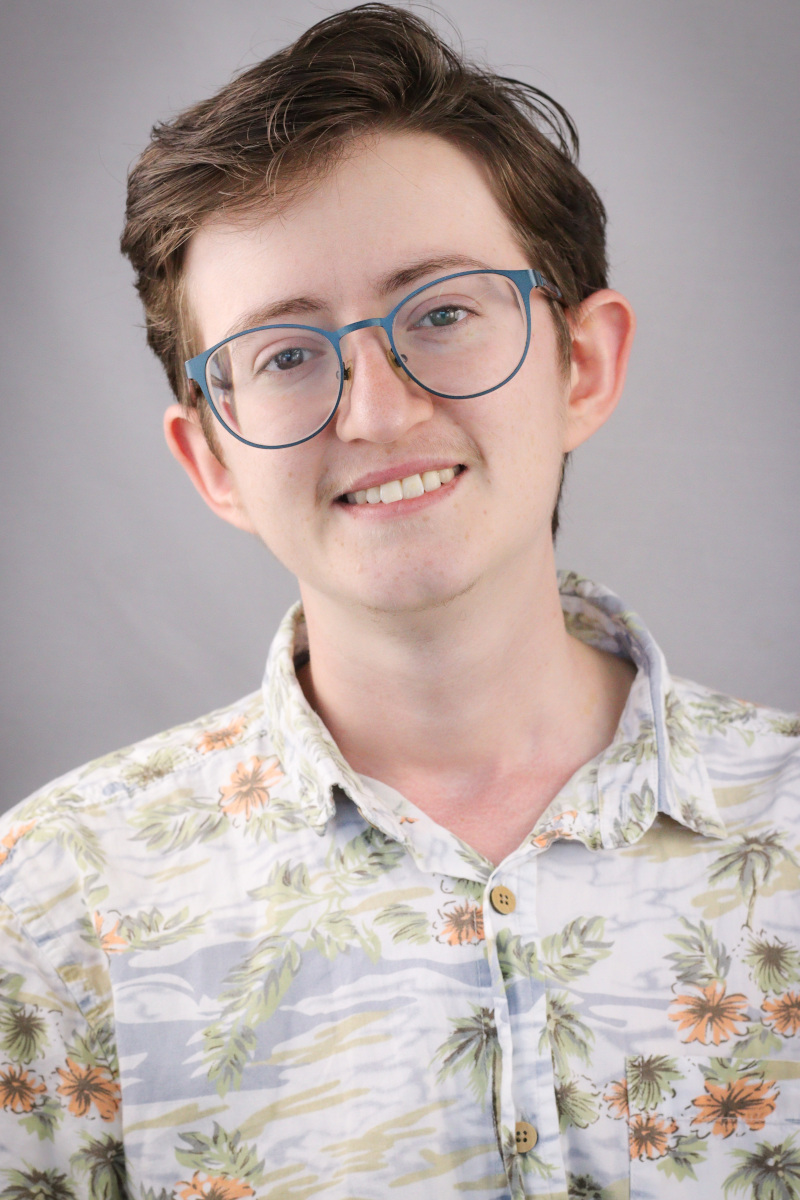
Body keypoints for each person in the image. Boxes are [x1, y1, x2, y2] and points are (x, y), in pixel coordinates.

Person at [1, 5, 798, 1197]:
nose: (375, 413)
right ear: (211, 462)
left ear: (583, 364)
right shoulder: (47, 905)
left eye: (440, 313)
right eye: (282, 352)